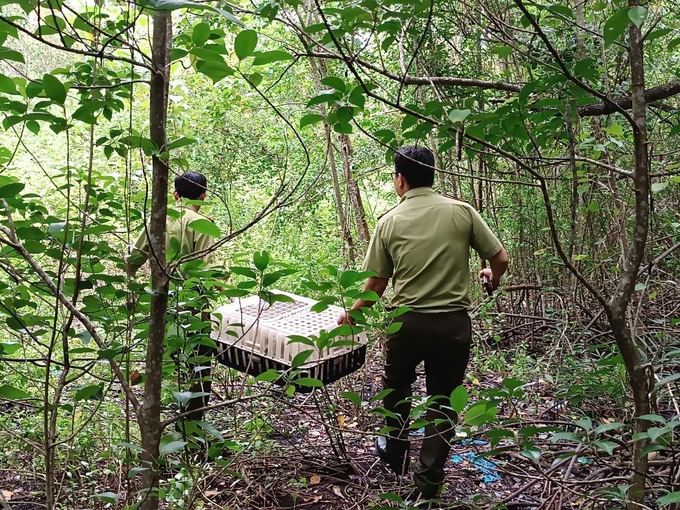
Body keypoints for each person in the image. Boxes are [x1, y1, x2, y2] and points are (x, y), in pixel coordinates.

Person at [337, 146, 508, 500]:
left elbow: (377, 286)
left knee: (396, 384)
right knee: (442, 400)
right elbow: (499, 257)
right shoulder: (462, 212)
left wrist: (352, 315)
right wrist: (493, 276)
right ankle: (428, 483)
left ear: (400, 179)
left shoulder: (389, 222)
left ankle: (396, 452)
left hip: (406, 325)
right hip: (453, 325)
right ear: (433, 174)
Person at [127, 171, 218, 425]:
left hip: (160, 301)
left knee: (160, 359)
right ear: (203, 195)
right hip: (193, 305)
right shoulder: (203, 224)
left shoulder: (156, 219)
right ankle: (192, 424)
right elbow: (208, 274)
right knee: (198, 366)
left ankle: (151, 418)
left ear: (175, 195)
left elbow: (133, 260)